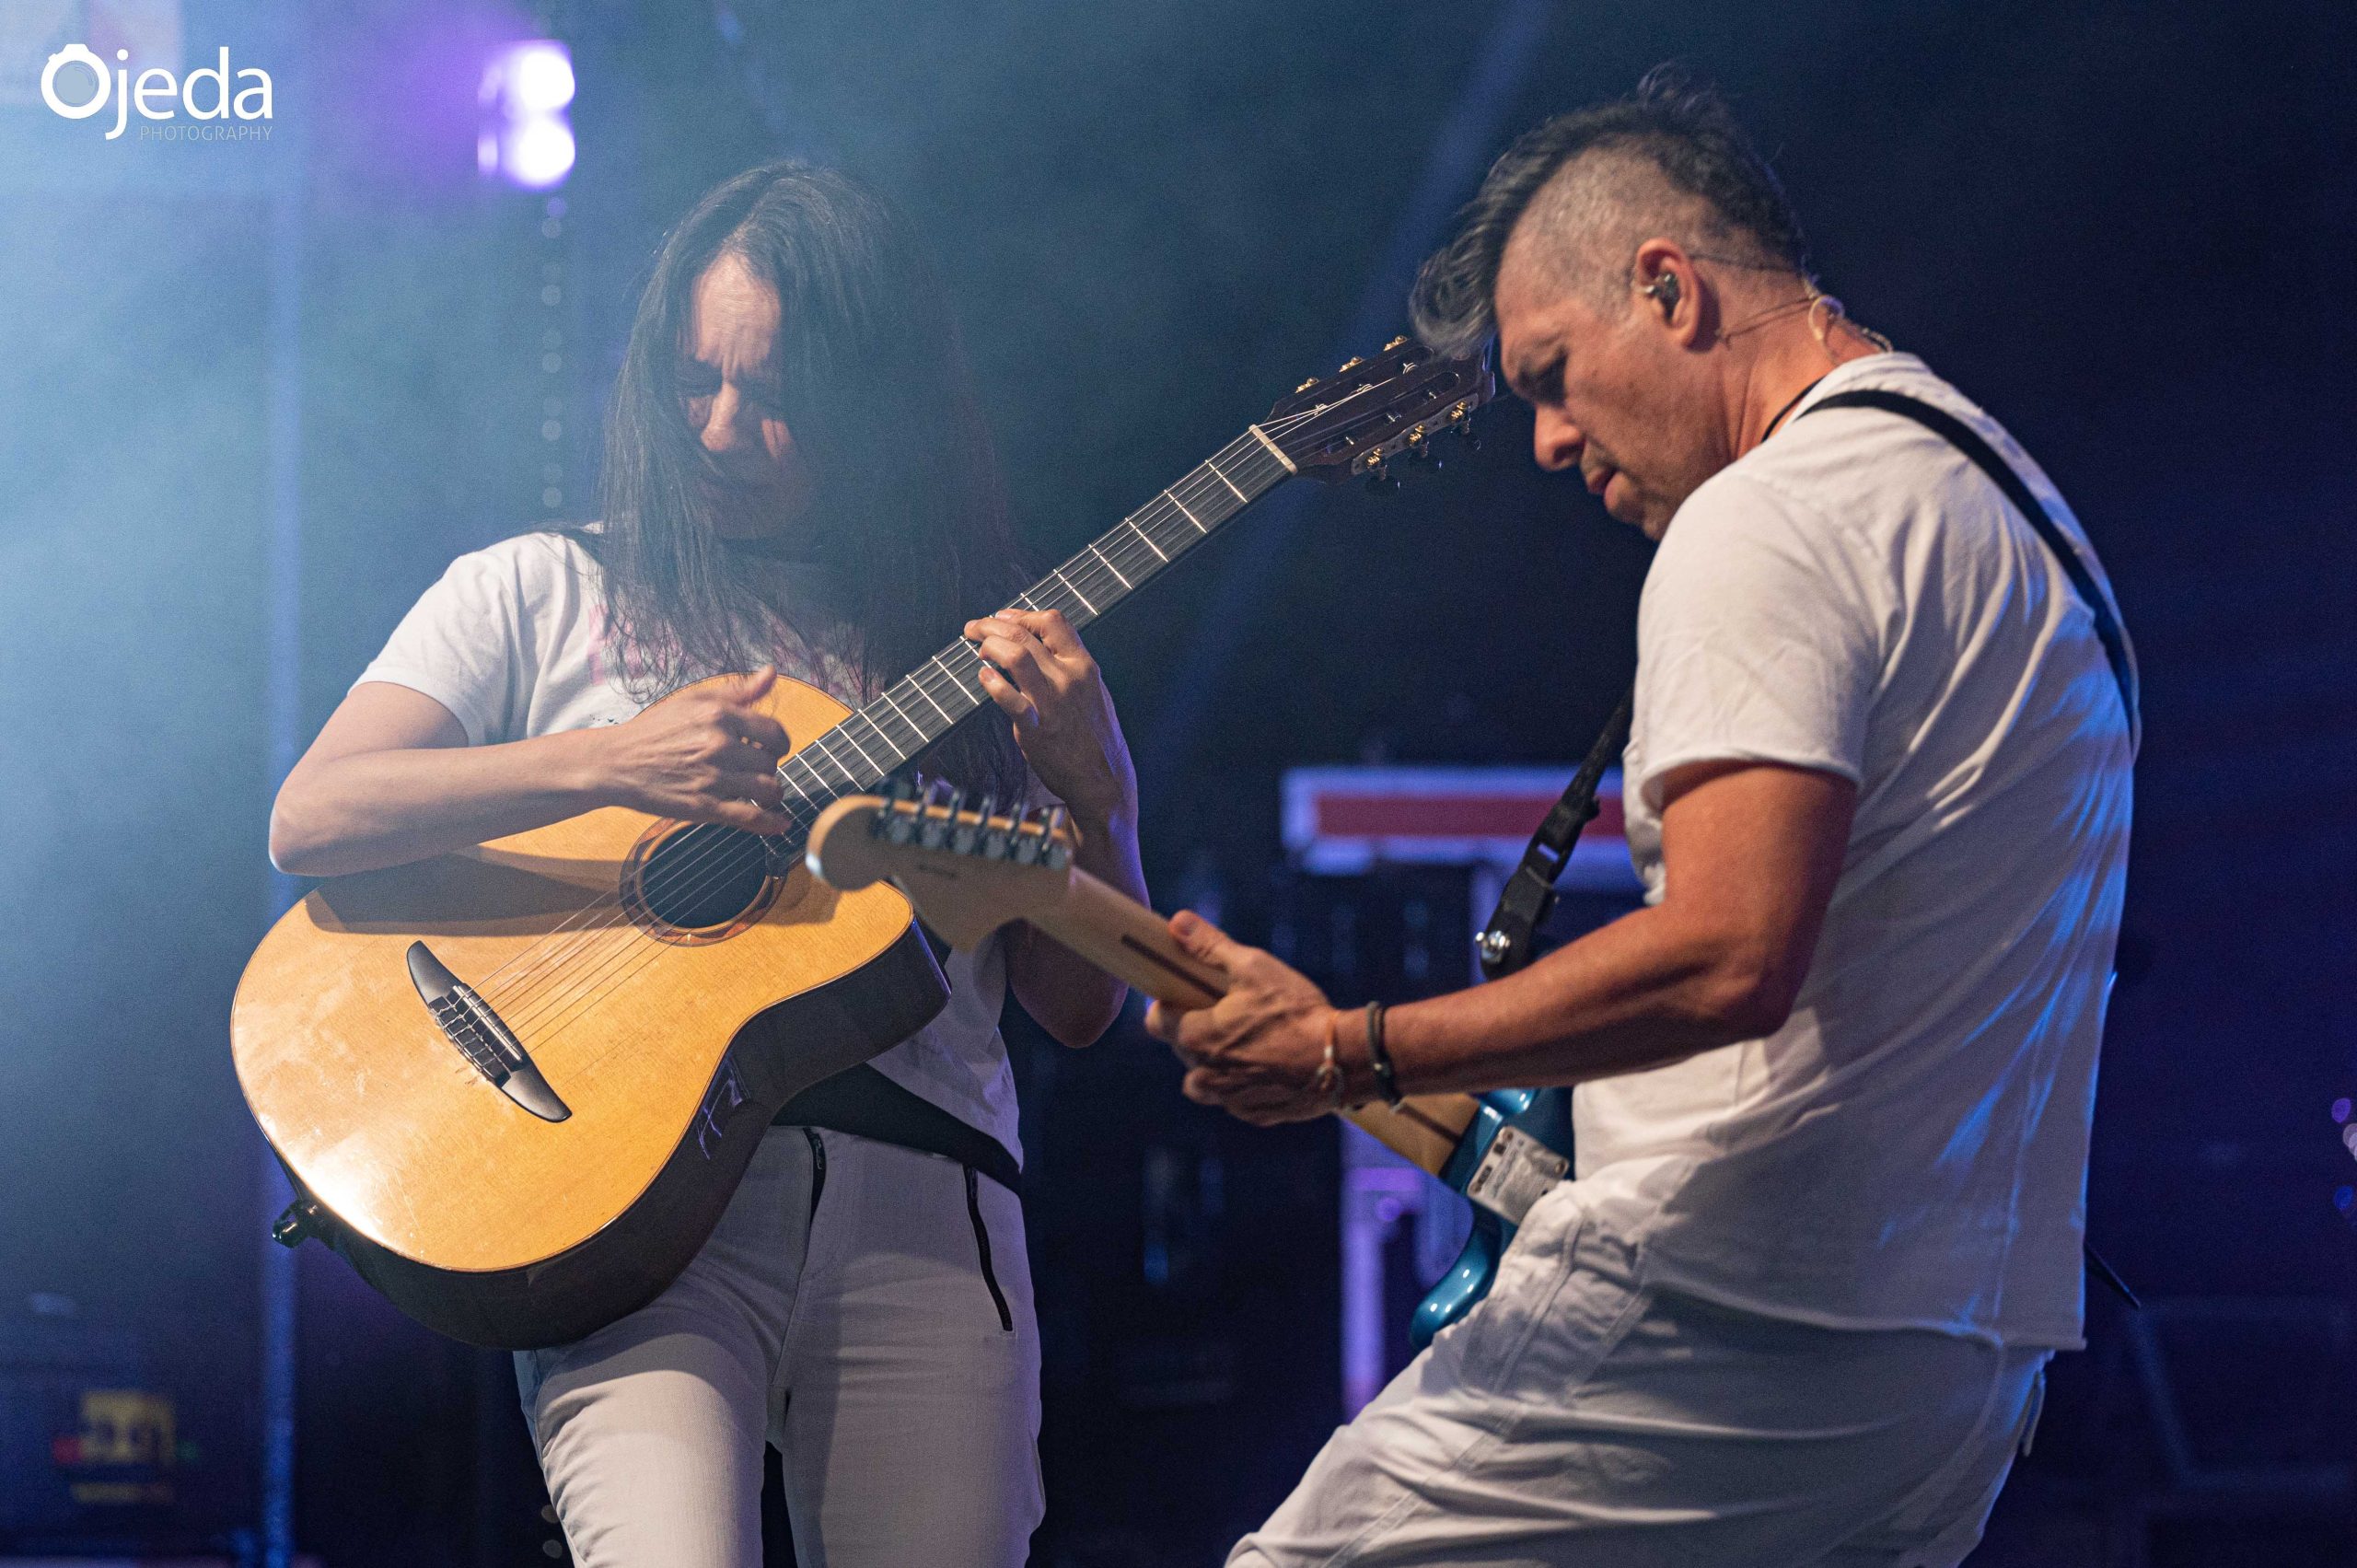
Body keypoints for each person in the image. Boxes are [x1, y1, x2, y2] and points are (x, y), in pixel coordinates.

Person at [1146, 71, 2135, 1566]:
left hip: (1724, 1316)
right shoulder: (2015, 518)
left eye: (1549, 372)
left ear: (1667, 288)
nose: (1545, 440)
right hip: (1954, 1366)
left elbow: (1729, 956)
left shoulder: (1771, 513)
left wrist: (1354, 1045)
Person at [268, 162, 1145, 1568]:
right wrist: (609, 764)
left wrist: (1103, 792)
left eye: (778, 391)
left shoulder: (975, 659)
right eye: (694, 382)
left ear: (880, 405)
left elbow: (1079, 1007)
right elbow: (312, 818)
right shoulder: (537, 586)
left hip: (930, 1203)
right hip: (637, 1204)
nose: (725, 430)